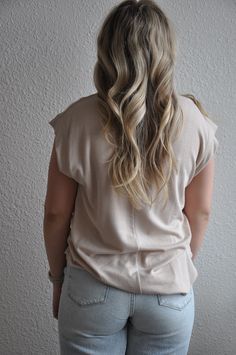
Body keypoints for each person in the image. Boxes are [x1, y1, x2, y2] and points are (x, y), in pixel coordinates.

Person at [43, 0, 219, 354]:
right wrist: (177, 267)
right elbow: (200, 212)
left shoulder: (75, 120)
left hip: (92, 286)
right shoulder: (195, 122)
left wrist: (58, 278)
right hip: (169, 292)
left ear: (107, 49)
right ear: (165, 50)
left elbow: (56, 215)